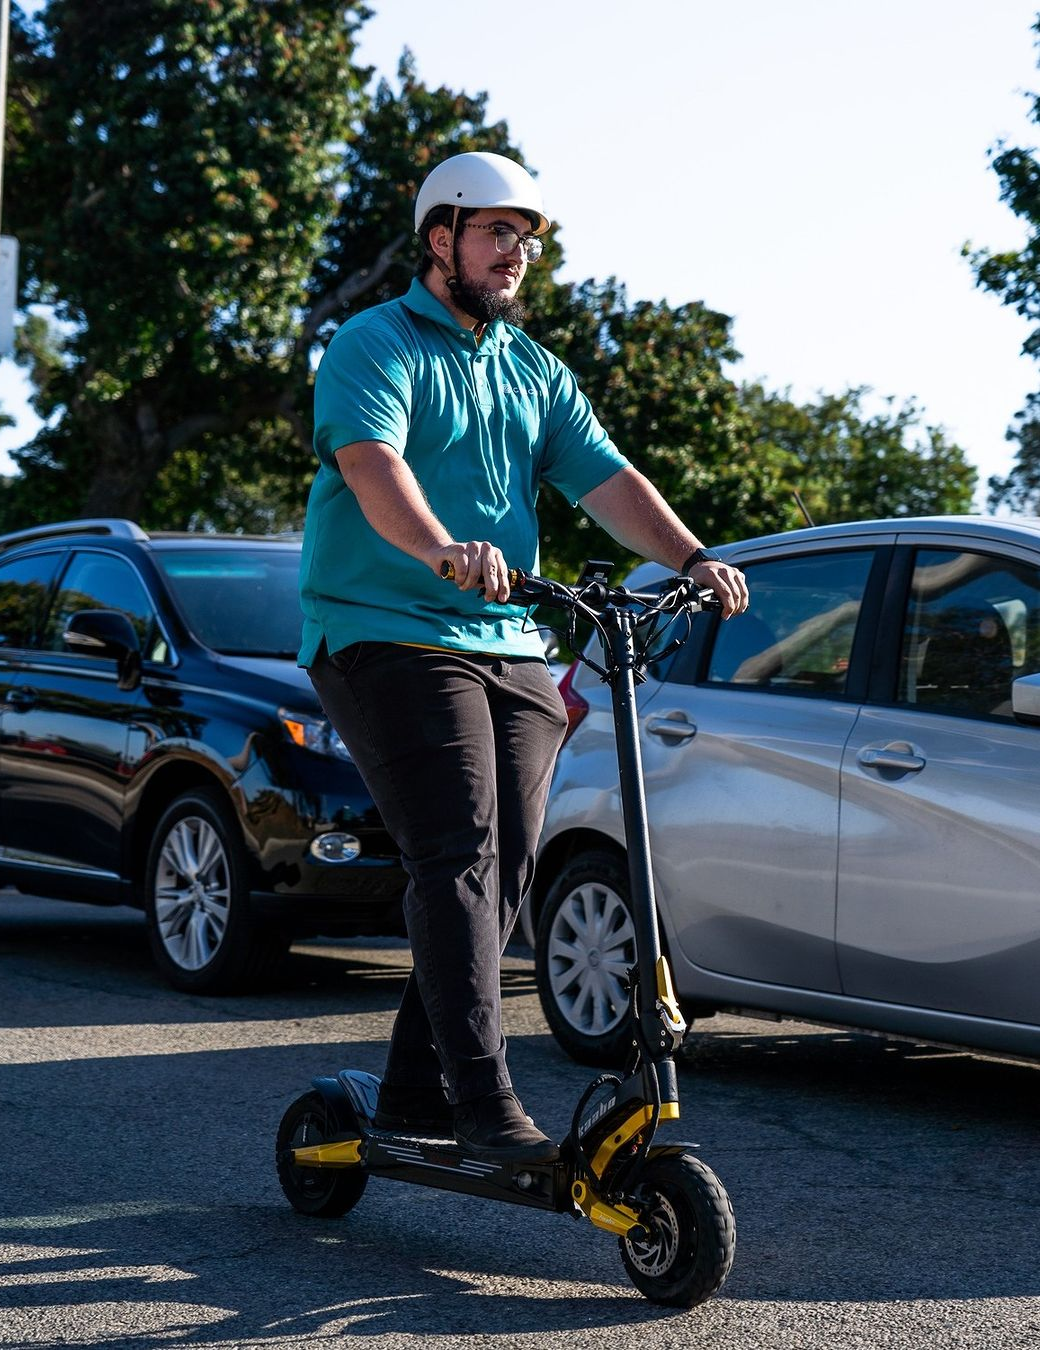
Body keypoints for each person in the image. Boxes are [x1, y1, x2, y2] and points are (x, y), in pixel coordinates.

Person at [300, 150, 748, 1163]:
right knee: (457, 851)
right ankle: (485, 1102)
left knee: (500, 873)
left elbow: (607, 478)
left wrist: (692, 555)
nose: (518, 253)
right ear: (440, 237)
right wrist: (439, 549)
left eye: (529, 238)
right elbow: (374, 466)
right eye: (499, 231)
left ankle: (414, 1088)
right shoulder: (374, 344)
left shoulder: (534, 371)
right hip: (384, 628)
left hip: (507, 641)